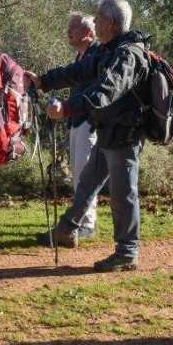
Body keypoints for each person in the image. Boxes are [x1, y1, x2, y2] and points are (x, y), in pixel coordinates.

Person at [27, 0, 150, 272]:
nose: (93, 22)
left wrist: (68, 108)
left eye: (96, 18)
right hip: (109, 131)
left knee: (123, 194)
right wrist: (44, 81)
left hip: (125, 135)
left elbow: (106, 91)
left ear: (110, 22)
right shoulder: (108, 50)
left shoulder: (128, 55)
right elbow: (78, 72)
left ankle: (127, 252)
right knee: (87, 182)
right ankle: (67, 229)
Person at [64, 12, 102, 237]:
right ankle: (80, 220)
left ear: (88, 32)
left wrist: (89, 120)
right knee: (77, 175)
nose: (68, 32)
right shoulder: (81, 57)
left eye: (73, 28)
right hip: (78, 123)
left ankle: (87, 223)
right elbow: (75, 91)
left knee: (85, 176)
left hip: (90, 124)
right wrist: (69, 122)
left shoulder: (96, 55)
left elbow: (97, 93)